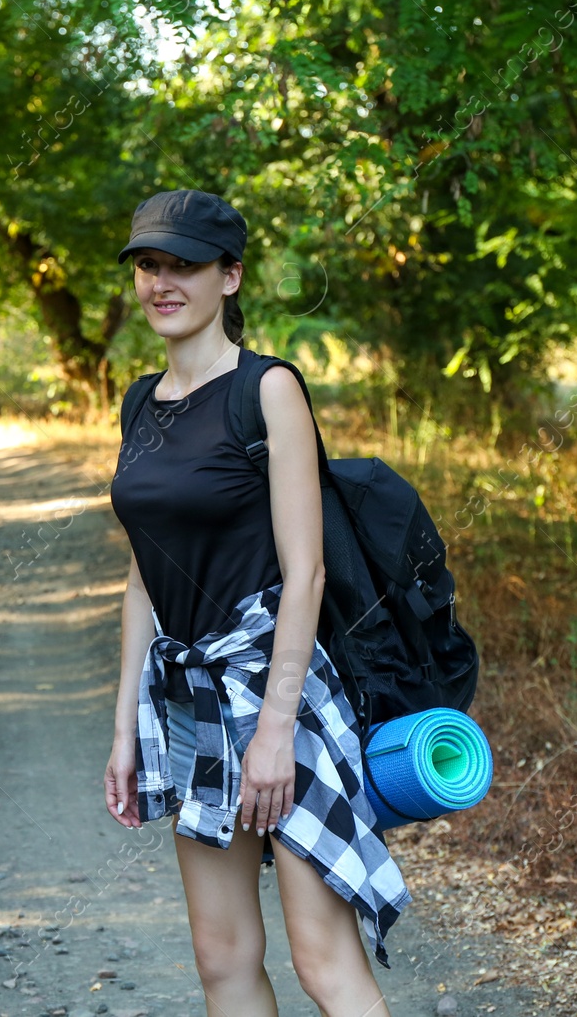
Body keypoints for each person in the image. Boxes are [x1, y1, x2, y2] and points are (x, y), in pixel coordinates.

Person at [105, 189, 411, 1017]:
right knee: (222, 956)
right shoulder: (139, 401)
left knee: (322, 957)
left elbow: (305, 571)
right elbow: (143, 572)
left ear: (230, 276)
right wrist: (125, 728)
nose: (160, 282)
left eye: (183, 265)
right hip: (190, 698)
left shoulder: (267, 389)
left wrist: (275, 731)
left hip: (281, 690)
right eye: (147, 265)